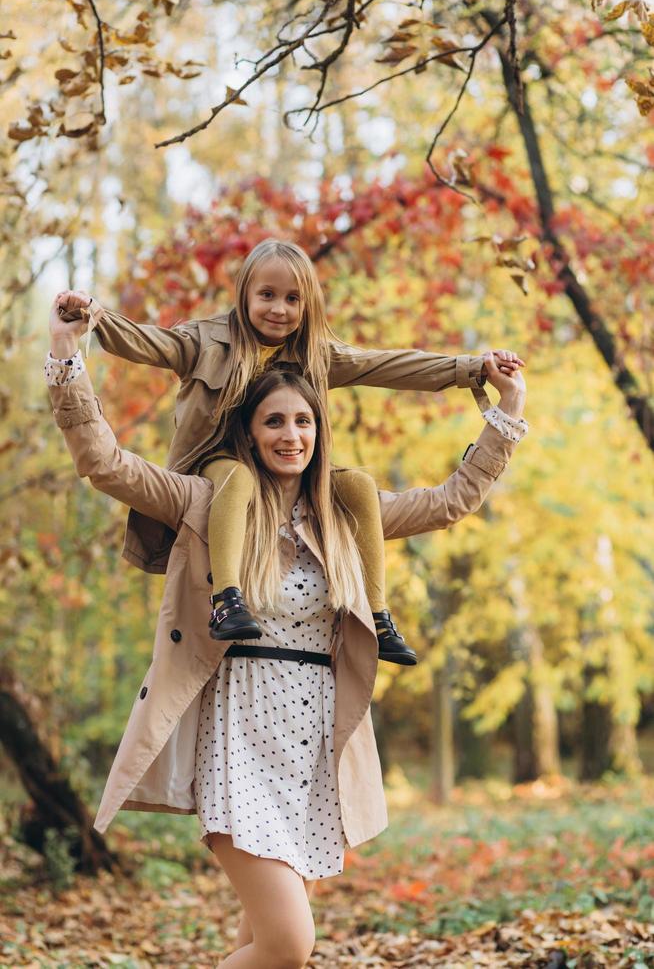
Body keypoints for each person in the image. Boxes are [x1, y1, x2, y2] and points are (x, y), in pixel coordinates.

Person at [46, 299, 528, 968]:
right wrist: (68, 354)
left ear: (319, 430)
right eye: (274, 421)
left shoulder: (341, 516)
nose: (291, 434)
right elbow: (106, 464)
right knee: (288, 944)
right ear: (248, 431)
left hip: (309, 749)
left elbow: (449, 500)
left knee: (260, 945)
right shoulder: (204, 502)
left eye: (303, 421)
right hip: (236, 738)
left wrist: (506, 408)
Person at [55, 238, 525, 668]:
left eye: (292, 299)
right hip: (215, 470)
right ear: (244, 295)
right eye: (267, 296)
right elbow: (145, 342)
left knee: (357, 483)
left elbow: (387, 364)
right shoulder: (205, 340)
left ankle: (376, 612)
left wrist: (473, 369)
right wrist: (92, 318)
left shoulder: (316, 355)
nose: (279, 310)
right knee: (236, 479)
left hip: (307, 678)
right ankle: (228, 598)